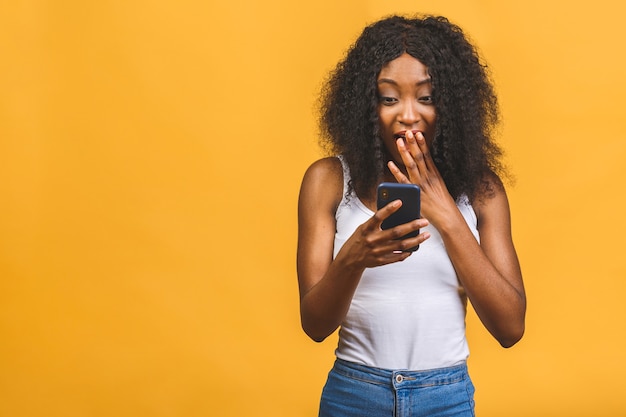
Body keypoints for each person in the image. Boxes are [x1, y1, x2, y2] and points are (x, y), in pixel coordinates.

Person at [296, 14, 526, 417]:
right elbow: (315, 326)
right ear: (366, 105)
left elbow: (510, 327)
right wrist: (354, 256)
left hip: (446, 398)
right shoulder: (328, 181)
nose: (407, 114)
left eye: (426, 96)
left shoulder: (482, 190)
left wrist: (448, 216)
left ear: (451, 105)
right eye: (388, 98)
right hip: (354, 394)